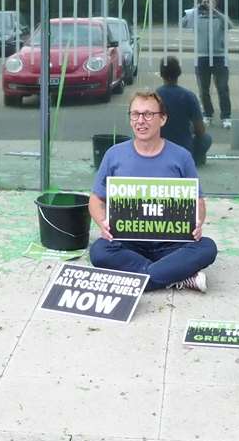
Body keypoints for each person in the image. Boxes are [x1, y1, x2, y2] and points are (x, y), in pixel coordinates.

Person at [88, 90, 217, 291]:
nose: (141, 120)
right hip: (128, 243)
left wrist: (197, 222)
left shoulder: (181, 156)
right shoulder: (114, 155)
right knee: (99, 251)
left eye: (148, 114)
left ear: (163, 119)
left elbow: (198, 201)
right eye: (135, 114)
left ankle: (141, 276)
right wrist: (102, 223)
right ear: (130, 119)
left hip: (172, 245)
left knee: (207, 247)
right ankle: (173, 276)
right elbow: (96, 199)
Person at [181, 0, 232, 129]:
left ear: (215, 3)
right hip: (202, 57)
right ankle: (207, 114)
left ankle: (226, 116)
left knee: (222, 88)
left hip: (219, 57)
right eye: (204, 1)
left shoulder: (220, 18)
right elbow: (183, 23)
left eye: (209, 1)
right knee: (203, 90)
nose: (206, 4)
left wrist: (214, 11)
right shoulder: (196, 17)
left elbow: (230, 25)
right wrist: (195, 9)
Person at [155, 55, 210, 167]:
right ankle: (195, 161)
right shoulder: (189, 96)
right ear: (179, 73)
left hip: (159, 148)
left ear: (161, 74)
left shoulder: (154, 96)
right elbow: (200, 130)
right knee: (206, 138)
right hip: (183, 149)